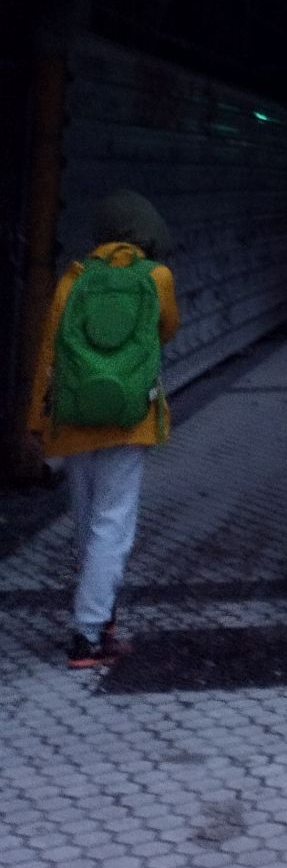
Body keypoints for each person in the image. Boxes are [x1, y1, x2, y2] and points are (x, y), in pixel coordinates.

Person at [25, 189, 179, 669]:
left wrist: (35, 422)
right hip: (129, 421)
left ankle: (101, 621)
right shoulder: (157, 278)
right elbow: (167, 329)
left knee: (88, 523)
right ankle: (88, 635)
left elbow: (50, 355)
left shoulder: (72, 280)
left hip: (73, 422)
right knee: (113, 526)